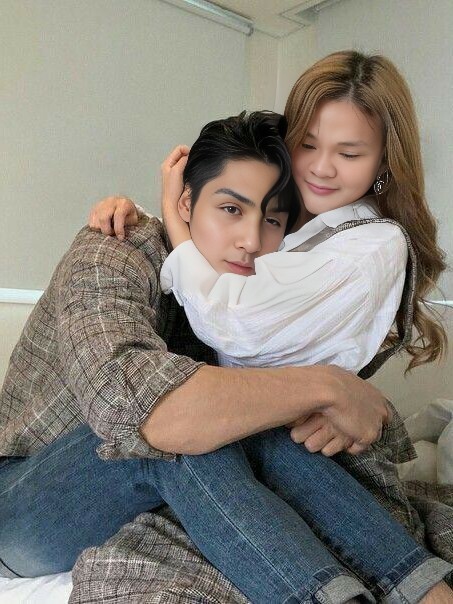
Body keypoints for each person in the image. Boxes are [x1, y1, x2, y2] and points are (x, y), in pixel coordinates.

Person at [85, 53, 453, 602]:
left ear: (384, 160)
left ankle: (413, 588)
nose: (321, 168)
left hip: (306, 446)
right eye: (307, 144)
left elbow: (237, 320)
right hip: (264, 438)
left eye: (349, 153)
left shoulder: (371, 244)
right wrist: (143, 213)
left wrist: (174, 219)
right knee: (211, 429)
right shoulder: (292, 222)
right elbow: (224, 212)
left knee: (219, 429)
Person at [0, 110, 400, 600]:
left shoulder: (250, 298)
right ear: (186, 202)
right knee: (186, 428)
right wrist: (329, 387)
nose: (251, 241)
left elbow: (296, 405)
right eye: (231, 209)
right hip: (20, 501)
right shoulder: (114, 249)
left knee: (246, 420)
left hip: (150, 493)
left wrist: (351, 397)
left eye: (272, 219)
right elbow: (140, 409)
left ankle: (421, 586)